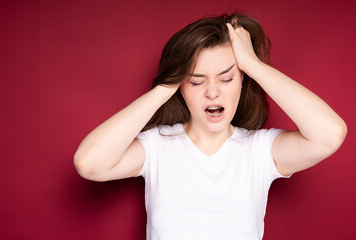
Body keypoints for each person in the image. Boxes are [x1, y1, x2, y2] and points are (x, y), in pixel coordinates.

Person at [73, 13, 347, 240]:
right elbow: (89, 163)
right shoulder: (158, 146)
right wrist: (168, 85)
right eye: (196, 81)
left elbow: (330, 134)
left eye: (226, 78)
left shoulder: (259, 150)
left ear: (242, 79)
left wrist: (252, 64)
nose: (212, 92)